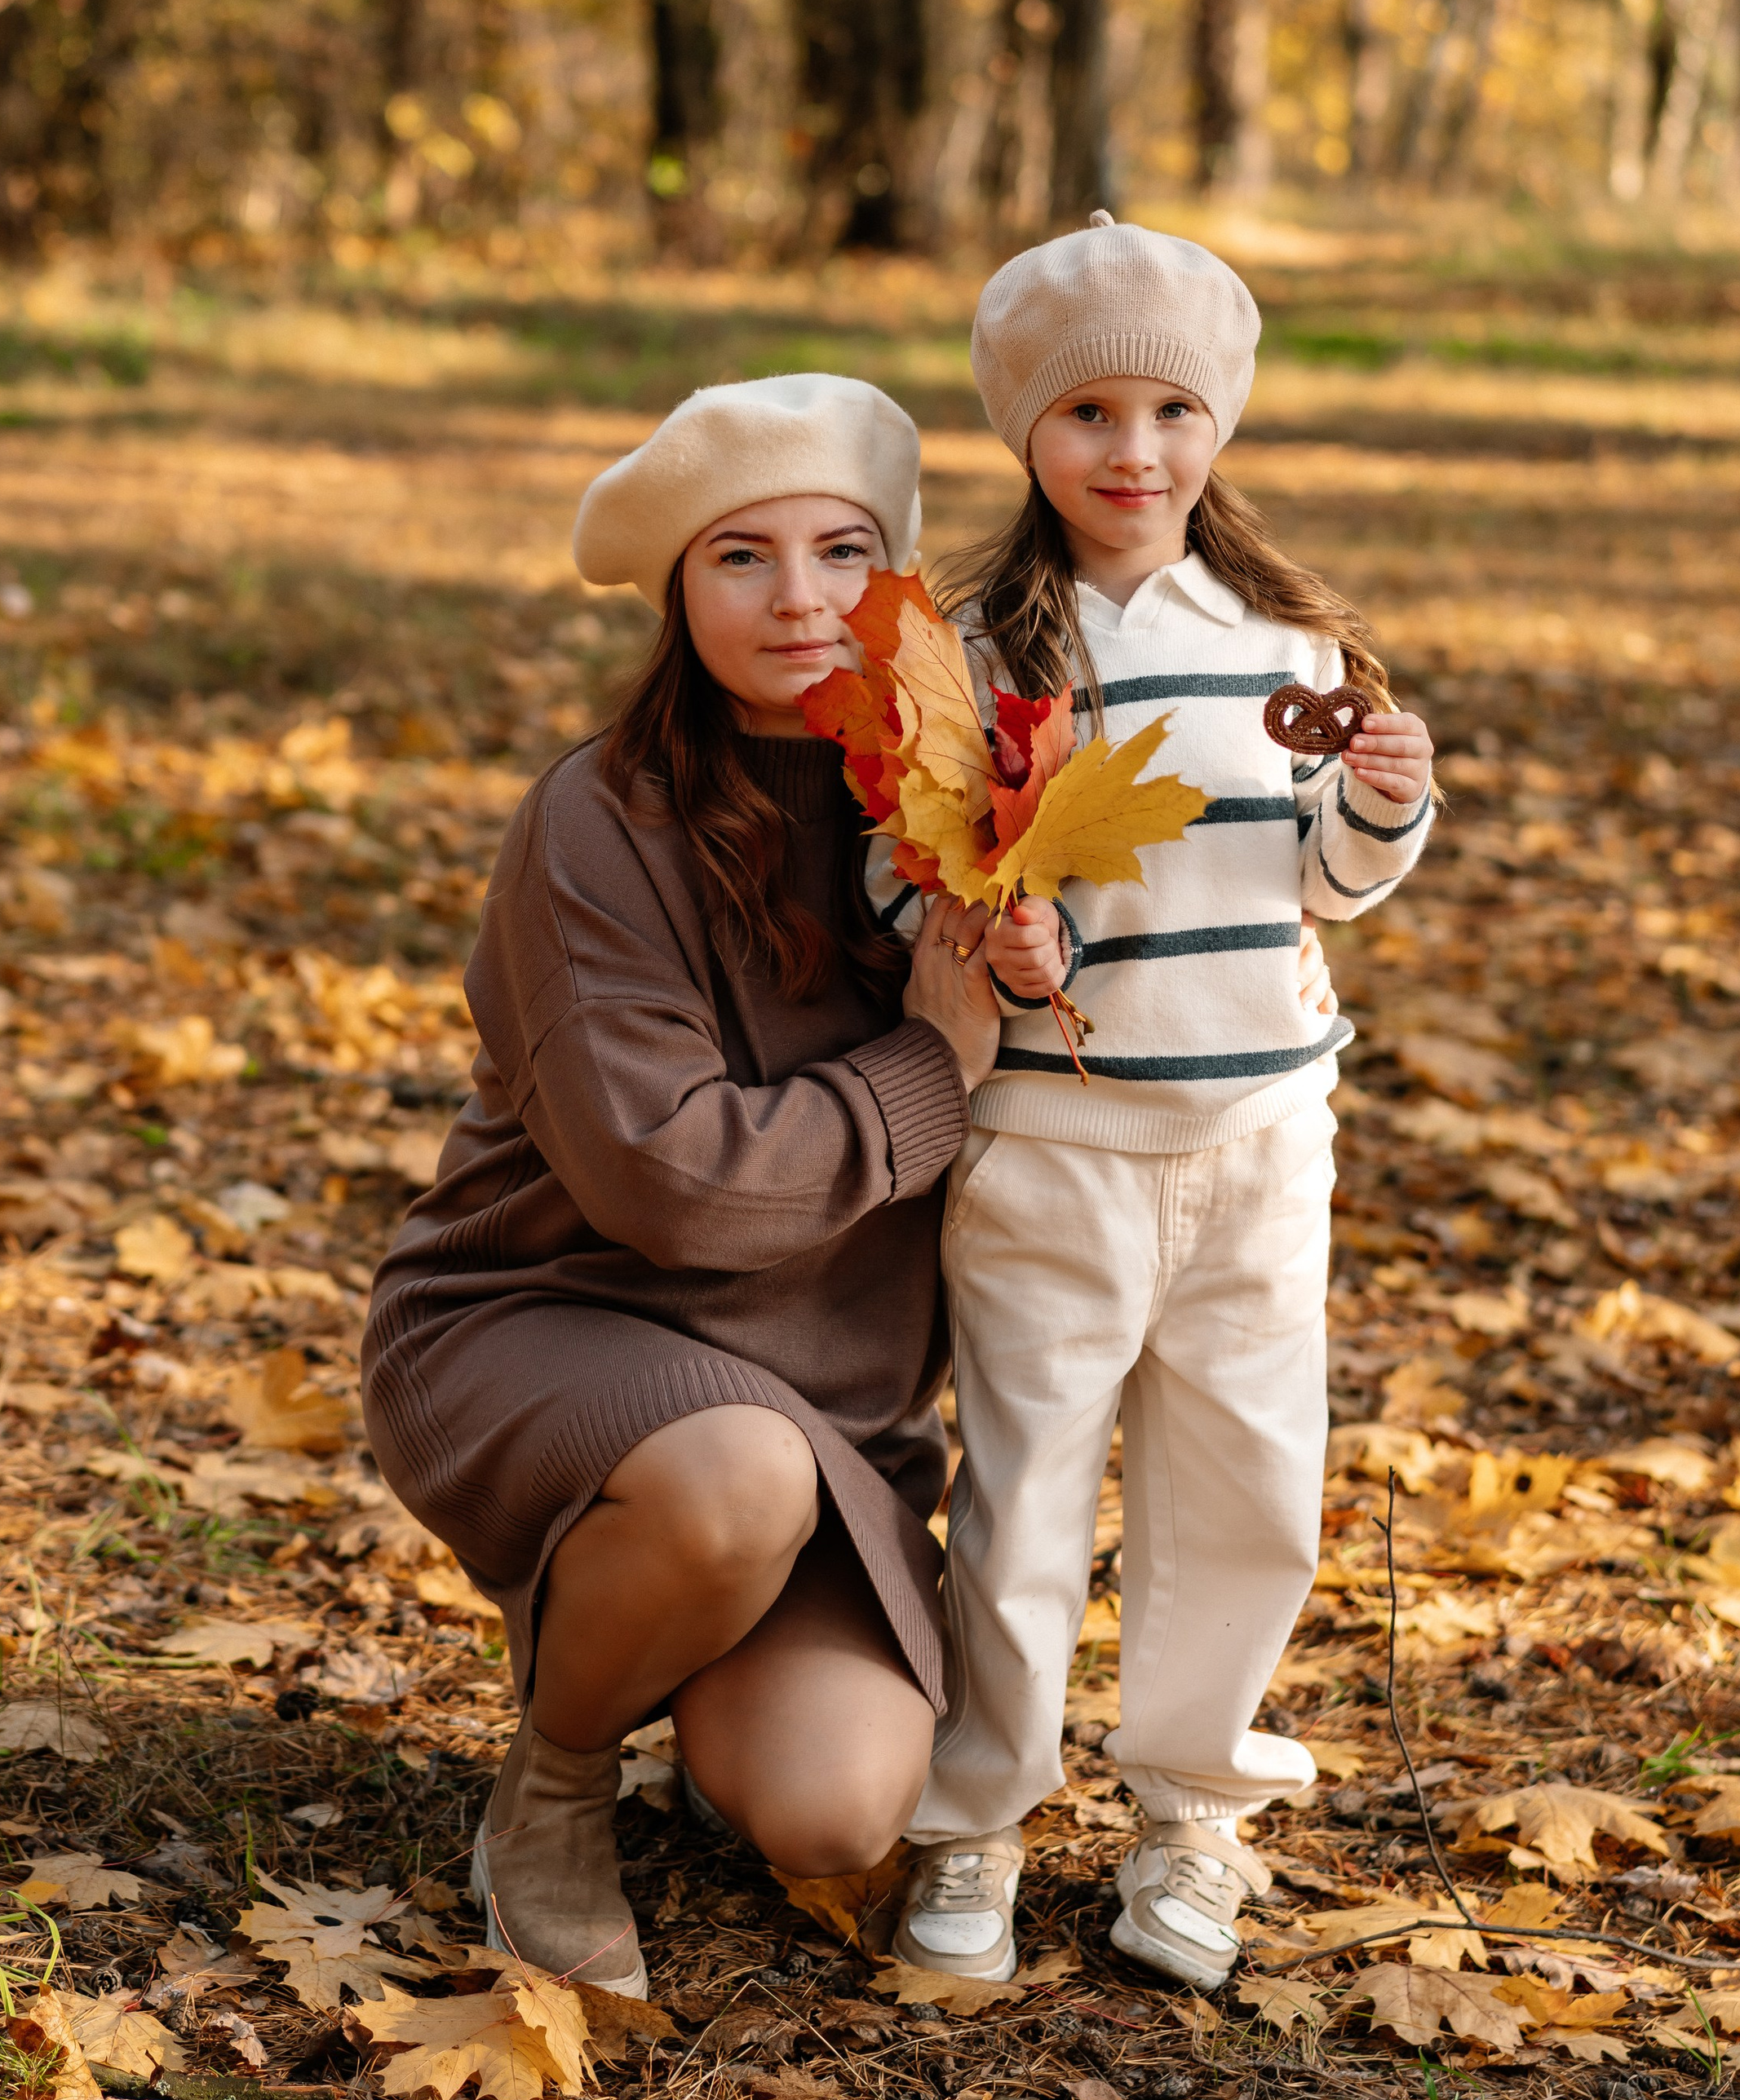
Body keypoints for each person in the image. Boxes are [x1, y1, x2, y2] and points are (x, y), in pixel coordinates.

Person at [361, 373, 998, 1999]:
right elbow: (667, 1183)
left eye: (842, 549)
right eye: (740, 556)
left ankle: (668, 1638)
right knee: (730, 1483)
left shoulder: (978, 810)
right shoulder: (600, 817)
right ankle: (555, 1782)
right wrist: (929, 1066)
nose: (799, 599)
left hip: (823, 1406)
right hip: (551, 1318)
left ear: (901, 575)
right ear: (676, 588)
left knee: (830, 1802)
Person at [886, 213, 1436, 1992]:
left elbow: (1331, 882)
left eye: (1172, 411)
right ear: (1025, 433)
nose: (1134, 453)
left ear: (1223, 424)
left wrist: (1384, 799)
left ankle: (1192, 1810)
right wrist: (989, 929)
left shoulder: (1285, 634)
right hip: (1050, 1139)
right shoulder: (970, 648)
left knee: (1245, 1481)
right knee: (1029, 1484)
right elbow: (905, 870)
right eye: (1088, 414)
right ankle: (974, 1812)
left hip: (1261, 1136)